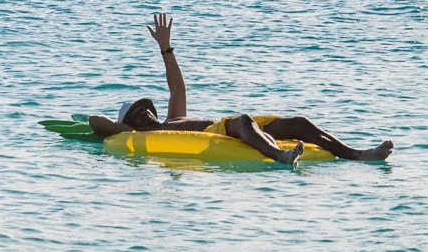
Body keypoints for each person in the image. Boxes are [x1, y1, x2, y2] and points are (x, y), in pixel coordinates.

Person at [86, 14, 392, 163]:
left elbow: (177, 88)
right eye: (138, 113)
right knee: (244, 119)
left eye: (146, 107)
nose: (146, 113)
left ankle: (358, 154)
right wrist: (123, 128)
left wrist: (166, 48)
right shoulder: (141, 135)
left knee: (298, 122)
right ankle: (280, 155)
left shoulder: (172, 120)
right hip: (219, 131)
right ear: (131, 122)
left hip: (225, 125)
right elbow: (94, 121)